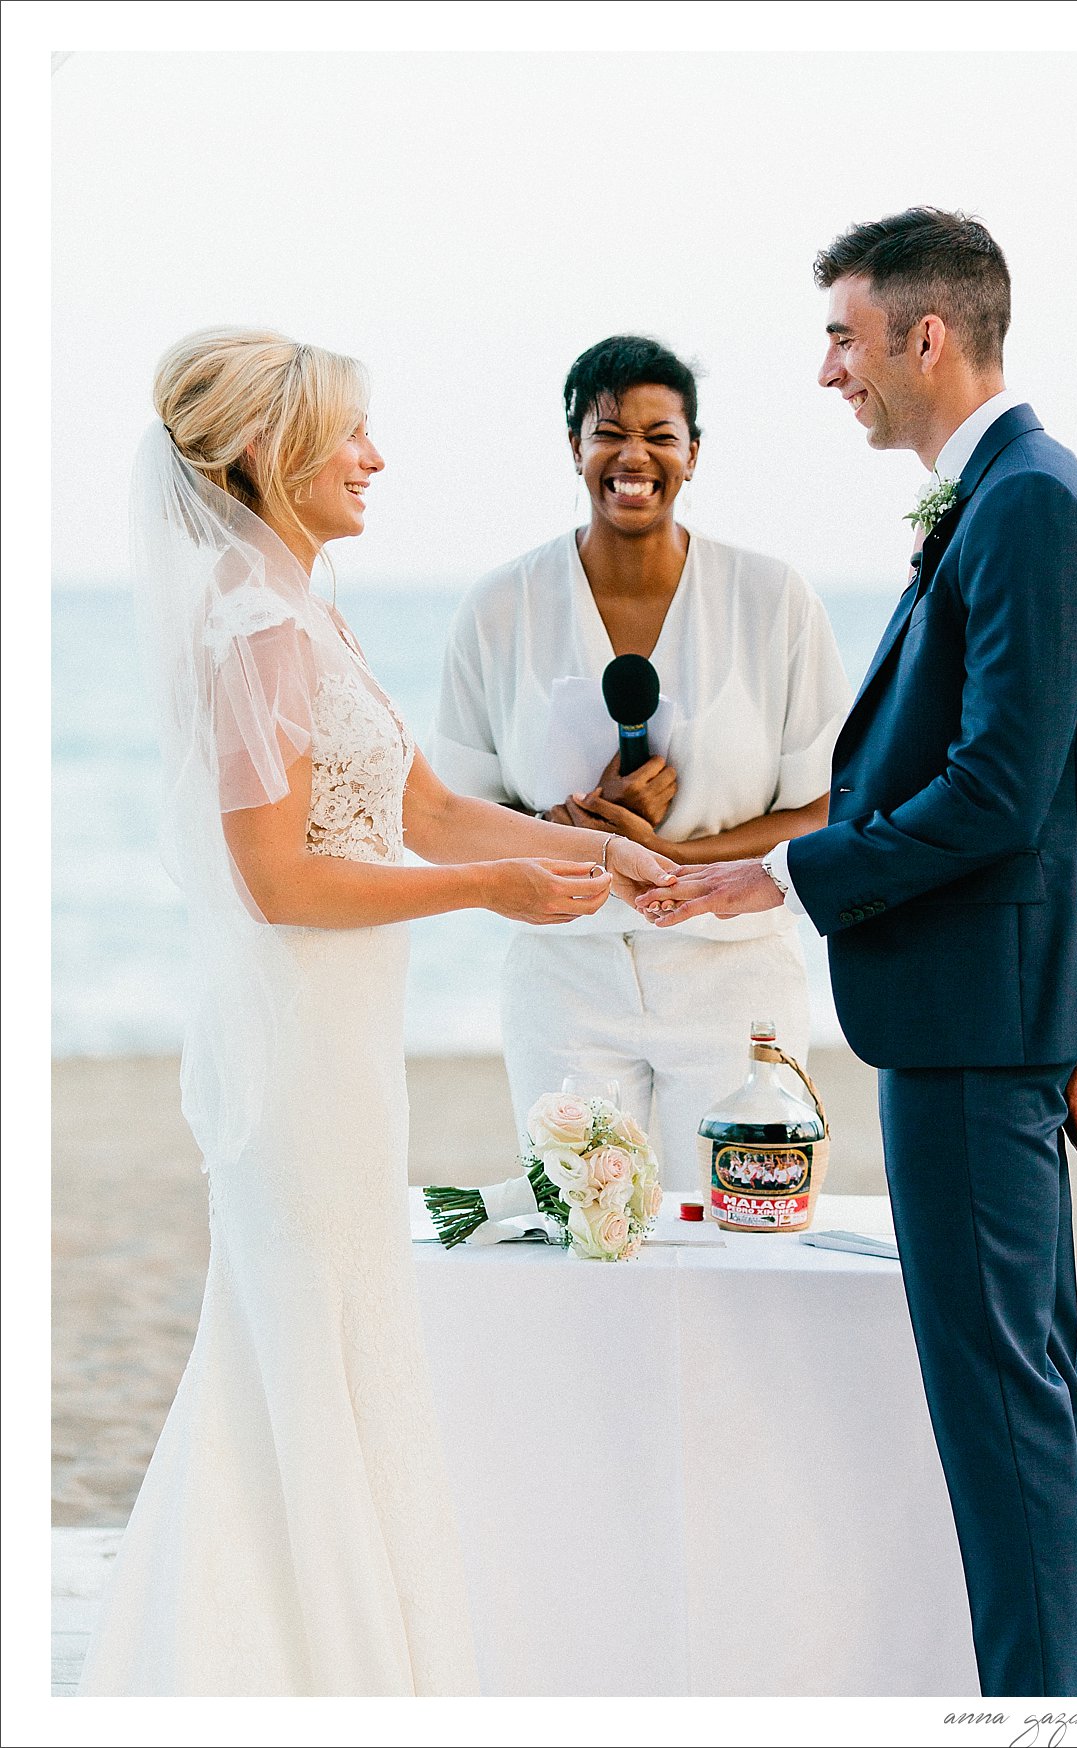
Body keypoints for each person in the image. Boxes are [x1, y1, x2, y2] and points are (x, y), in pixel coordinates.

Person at [77, 328, 673, 1697]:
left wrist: (604, 854)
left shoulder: (309, 613)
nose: (375, 458)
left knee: (342, 1319)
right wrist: (486, 892)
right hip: (300, 1046)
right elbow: (276, 876)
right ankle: (294, 1664)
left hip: (349, 1045)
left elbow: (423, 809)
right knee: (302, 1319)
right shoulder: (250, 626)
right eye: (350, 435)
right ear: (267, 455)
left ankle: (339, 1647)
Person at [637, 209, 1077, 1698]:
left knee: (1001, 1409)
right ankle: (1049, 1705)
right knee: (1020, 1398)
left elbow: (1000, 793)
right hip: (999, 1013)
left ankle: (1040, 1717)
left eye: (844, 339)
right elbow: (1048, 795)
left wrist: (781, 877)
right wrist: (1062, 1014)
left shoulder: (1031, 505)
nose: (826, 374)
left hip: (975, 1020)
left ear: (930, 338)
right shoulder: (1007, 495)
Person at [429, 336, 851, 1188]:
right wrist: (569, 831)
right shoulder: (499, 607)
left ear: (694, 454)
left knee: (741, 1232)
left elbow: (826, 808)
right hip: (566, 974)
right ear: (574, 448)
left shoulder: (773, 600)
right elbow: (455, 816)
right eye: (607, 431)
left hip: (737, 973)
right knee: (582, 1234)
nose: (634, 455)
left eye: (661, 434)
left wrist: (663, 860)